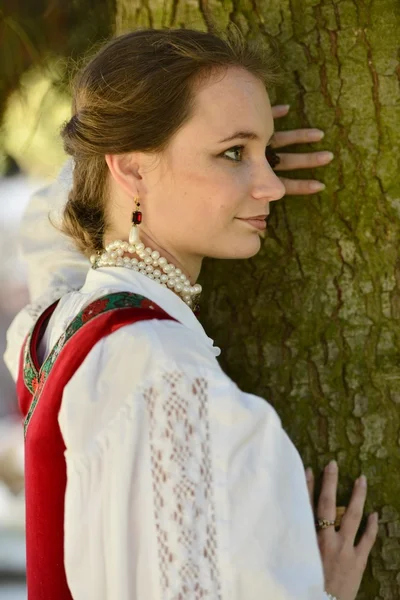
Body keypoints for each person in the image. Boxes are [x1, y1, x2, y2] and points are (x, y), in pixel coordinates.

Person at [4, 28, 378, 600]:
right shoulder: (173, 379)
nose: (273, 185)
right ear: (129, 170)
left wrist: (227, 149)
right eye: (233, 153)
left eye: (268, 154)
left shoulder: (52, 328)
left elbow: (49, 224)